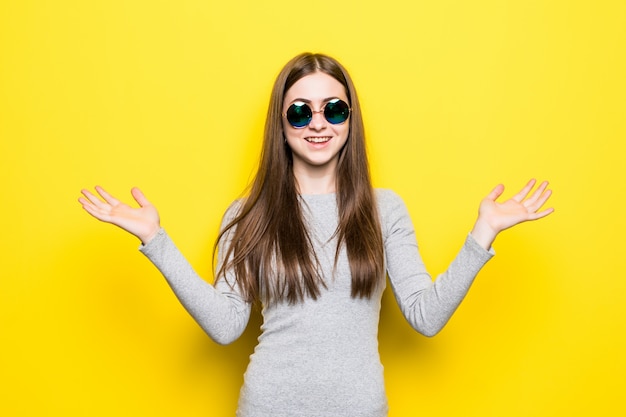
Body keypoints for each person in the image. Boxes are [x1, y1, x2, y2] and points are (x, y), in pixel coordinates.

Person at [78, 52, 553, 417]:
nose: (319, 123)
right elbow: (226, 327)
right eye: (300, 112)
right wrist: (156, 241)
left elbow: (425, 317)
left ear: (351, 119)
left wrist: (482, 233)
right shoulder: (249, 213)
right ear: (281, 126)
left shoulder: (383, 209)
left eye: (334, 109)